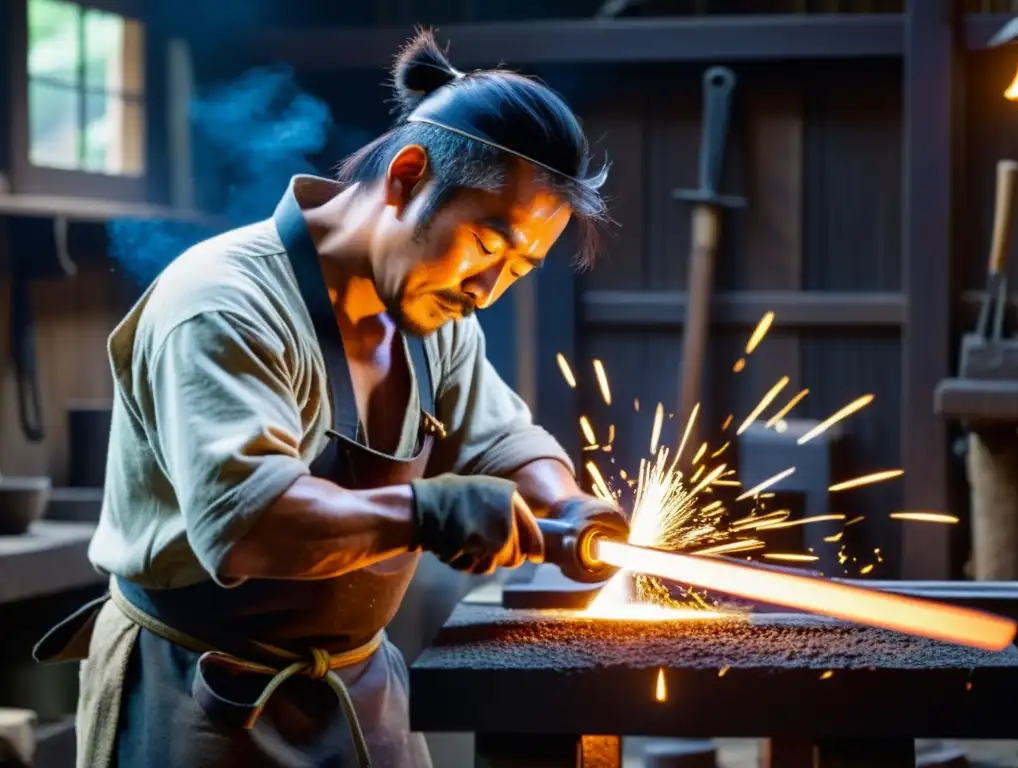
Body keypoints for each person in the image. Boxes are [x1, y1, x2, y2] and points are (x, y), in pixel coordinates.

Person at [34, 29, 628, 768]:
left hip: (360, 689)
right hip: (201, 699)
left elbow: (504, 442)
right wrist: (430, 511)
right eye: (485, 244)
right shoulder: (222, 302)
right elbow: (246, 526)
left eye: (519, 266)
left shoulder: (431, 313)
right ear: (408, 177)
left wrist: (567, 506)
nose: (486, 290)